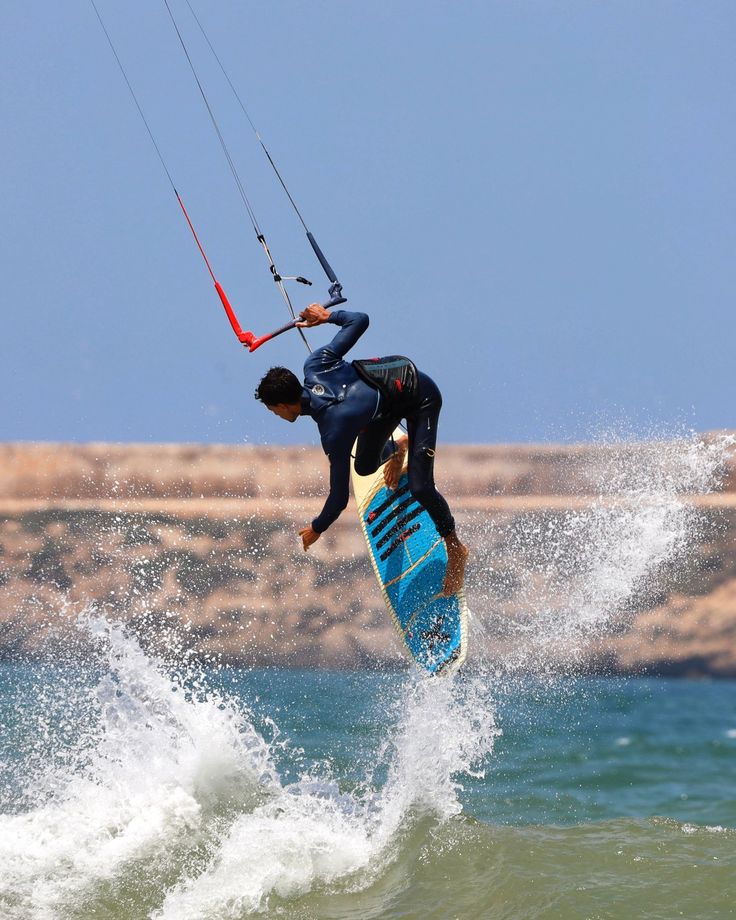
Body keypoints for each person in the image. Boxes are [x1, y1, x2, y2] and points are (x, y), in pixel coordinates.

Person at [254, 303, 469, 596]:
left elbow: (340, 497)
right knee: (365, 466)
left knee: (420, 487)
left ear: (282, 405)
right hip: (385, 411)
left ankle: (455, 547)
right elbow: (359, 320)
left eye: (273, 411)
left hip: (420, 396)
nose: (276, 415)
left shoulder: (334, 432)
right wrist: (327, 318)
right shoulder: (315, 364)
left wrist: (317, 527)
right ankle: (397, 446)